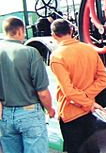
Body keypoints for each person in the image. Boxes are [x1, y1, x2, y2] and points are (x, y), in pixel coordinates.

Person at [50, 19, 106, 153]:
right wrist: (89, 98)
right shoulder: (89, 49)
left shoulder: (57, 56)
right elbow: (104, 79)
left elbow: (69, 92)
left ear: (53, 35)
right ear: (71, 31)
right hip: (90, 112)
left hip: (71, 113)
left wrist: (85, 99)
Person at [0, 17, 55, 153]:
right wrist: (50, 110)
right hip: (29, 113)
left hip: (5, 115)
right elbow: (42, 92)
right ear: (20, 31)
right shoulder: (30, 52)